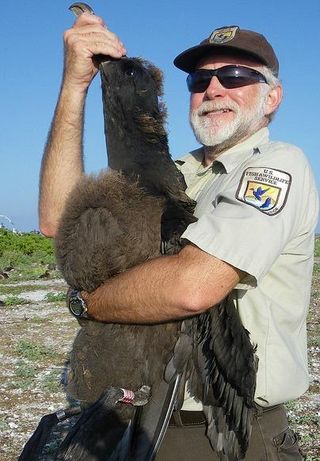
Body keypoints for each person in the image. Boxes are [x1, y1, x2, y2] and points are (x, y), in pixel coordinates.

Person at [39, 11, 318, 461]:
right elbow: (59, 222)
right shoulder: (173, 174)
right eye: (199, 80)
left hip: (223, 434)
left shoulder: (277, 165)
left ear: (272, 98)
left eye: (235, 76)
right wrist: (75, 88)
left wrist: (86, 304)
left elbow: (193, 287)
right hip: (136, 422)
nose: (213, 89)